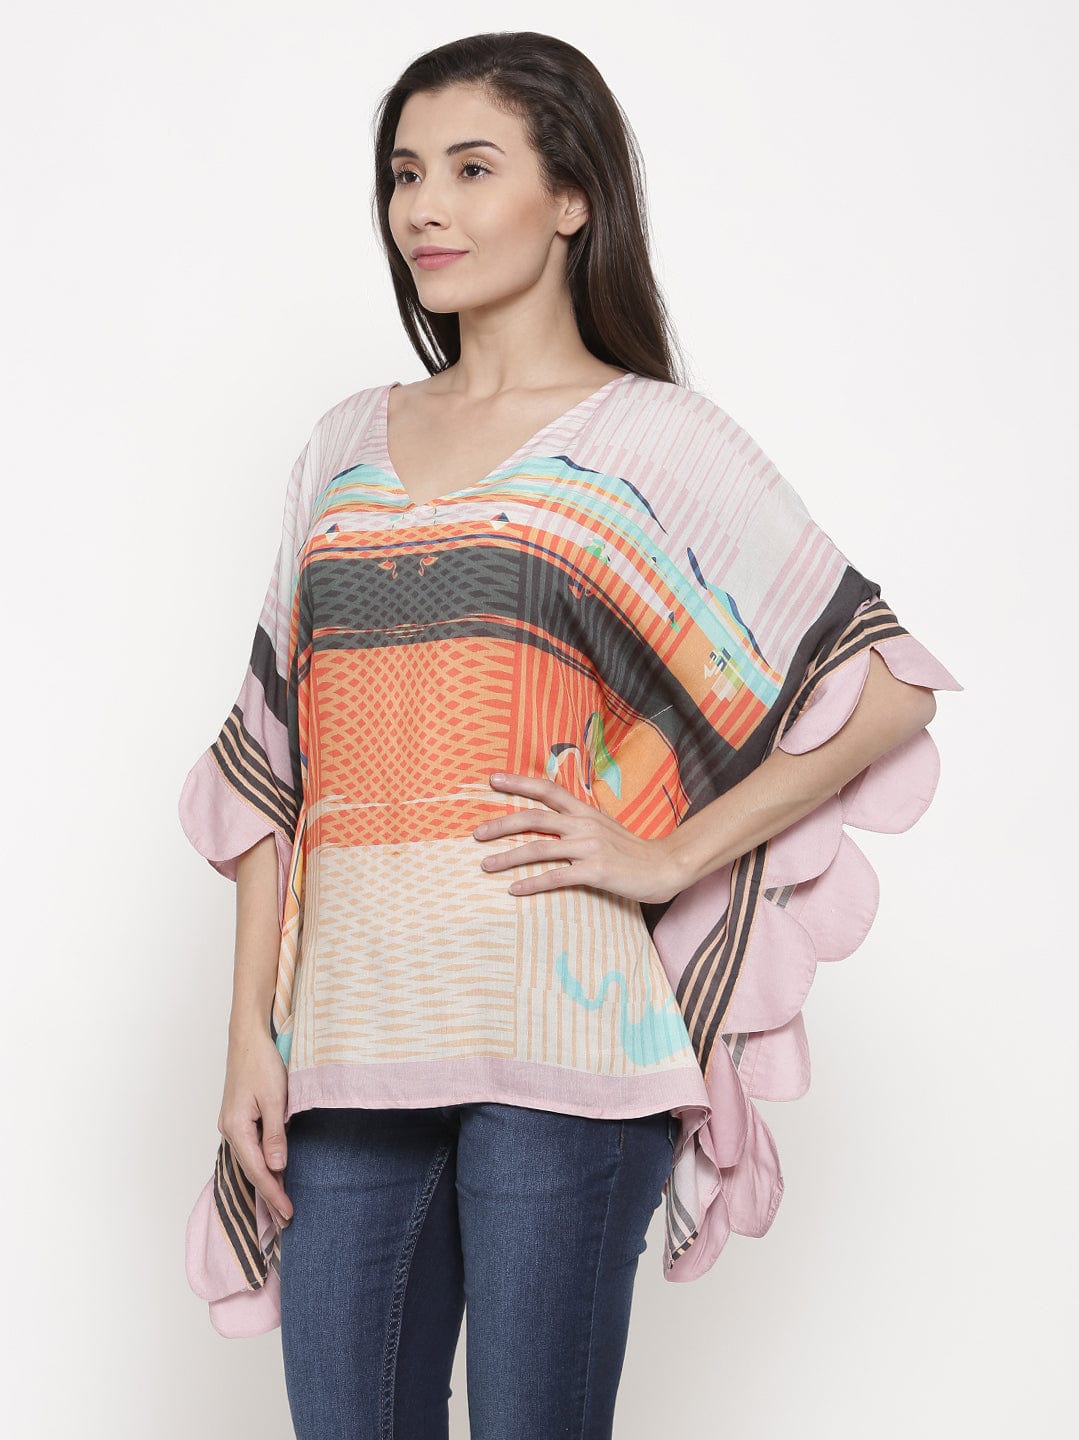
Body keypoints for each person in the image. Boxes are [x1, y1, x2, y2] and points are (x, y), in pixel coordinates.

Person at [178, 30, 963, 1440]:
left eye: (472, 169)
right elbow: (272, 757)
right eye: (406, 173)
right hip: (352, 1038)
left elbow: (882, 680)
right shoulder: (341, 444)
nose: (424, 208)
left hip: (569, 1038)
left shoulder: (651, 439)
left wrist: (670, 857)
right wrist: (249, 1035)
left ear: (572, 197)